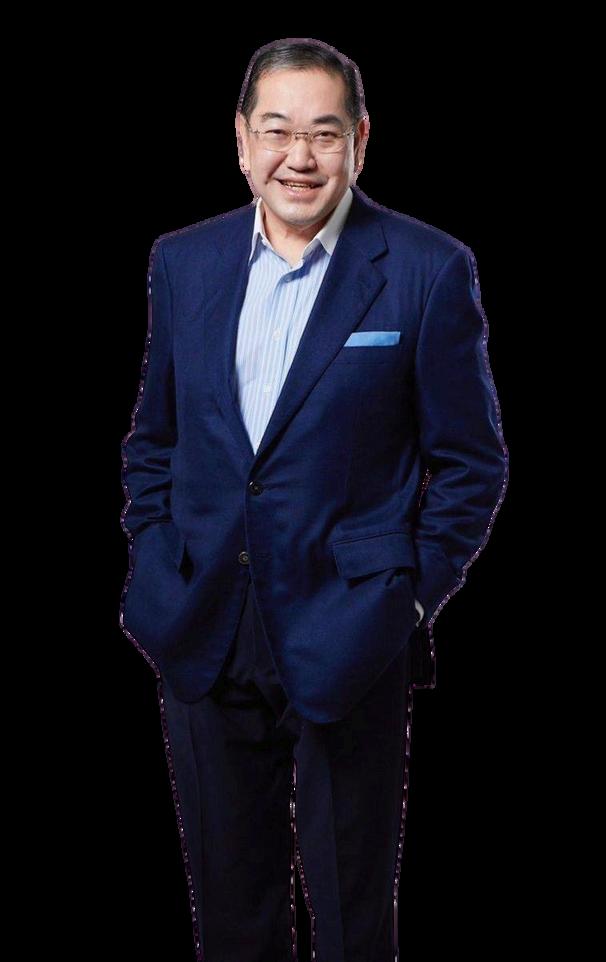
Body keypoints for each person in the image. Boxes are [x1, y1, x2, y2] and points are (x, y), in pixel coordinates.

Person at [119, 37, 508, 962]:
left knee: (352, 919)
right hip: (204, 626)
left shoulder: (427, 268)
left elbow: (472, 464)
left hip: (350, 633)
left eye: (325, 134)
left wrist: (407, 599)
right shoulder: (183, 262)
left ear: (360, 142)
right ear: (242, 141)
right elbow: (154, 439)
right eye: (278, 131)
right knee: (231, 920)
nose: (300, 156)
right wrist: (157, 558)